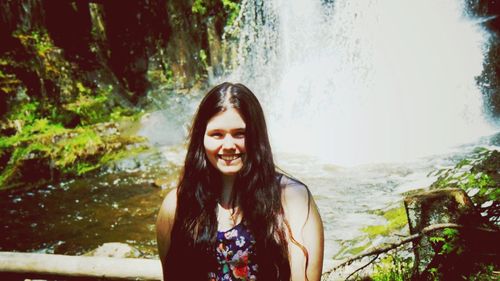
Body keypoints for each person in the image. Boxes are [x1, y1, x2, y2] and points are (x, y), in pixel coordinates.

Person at [156, 82, 324, 281]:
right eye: (216, 134)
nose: (228, 145)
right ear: (201, 138)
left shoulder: (292, 199)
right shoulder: (176, 205)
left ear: (257, 136)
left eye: (240, 134)